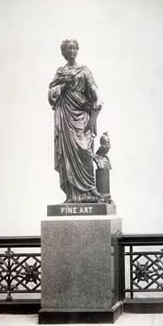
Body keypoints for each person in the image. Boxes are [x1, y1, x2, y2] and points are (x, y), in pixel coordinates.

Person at [48, 39, 103, 203]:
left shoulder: (84, 70)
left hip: (82, 115)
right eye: (68, 48)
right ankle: (73, 195)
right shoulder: (61, 72)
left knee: (85, 151)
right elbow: (51, 93)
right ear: (64, 52)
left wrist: (98, 99)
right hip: (66, 116)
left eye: (74, 48)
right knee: (68, 154)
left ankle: (90, 188)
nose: (71, 51)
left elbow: (93, 87)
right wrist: (63, 85)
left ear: (77, 50)